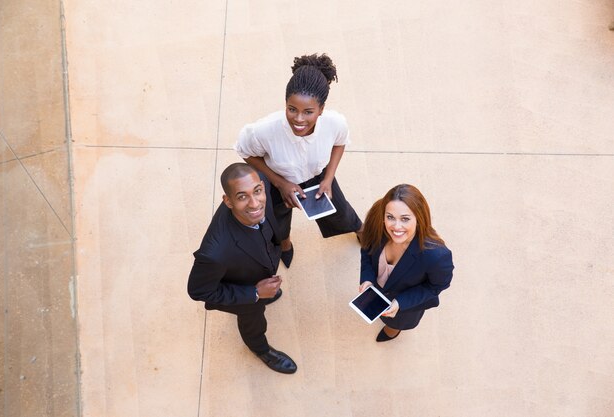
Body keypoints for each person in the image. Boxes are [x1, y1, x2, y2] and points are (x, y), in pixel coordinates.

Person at [234, 53, 363, 268]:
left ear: (321, 109)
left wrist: (328, 179)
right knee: (277, 220)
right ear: (285, 103)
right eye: (292, 109)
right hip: (278, 181)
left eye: (308, 112)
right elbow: (246, 152)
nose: (299, 119)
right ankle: (284, 244)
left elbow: (340, 144)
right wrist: (280, 183)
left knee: (340, 211)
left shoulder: (335, 123)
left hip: (318, 177)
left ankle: (359, 229)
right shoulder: (263, 130)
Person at [187, 163, 297, 374]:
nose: (255, 203)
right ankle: (260, 348)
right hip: (243, 289)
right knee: (253, 319)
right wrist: (255, 293)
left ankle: (265, 296)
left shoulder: (262, 183)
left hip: (258, 266)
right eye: (242, 197)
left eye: (257, 191)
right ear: (228, 201)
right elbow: (198, 291)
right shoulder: (215, 253)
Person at [358, 184, 454, 342]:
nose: (396, 227)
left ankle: (393, 330)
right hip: (376, 291)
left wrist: (400, 303)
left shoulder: (437, 256)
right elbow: (366, 249)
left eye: (405, 219)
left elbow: (436, 286)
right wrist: (367, 278)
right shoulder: (377, 223)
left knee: (395, 322)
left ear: (419, 218)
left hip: (405, 304)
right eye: (390, 217)